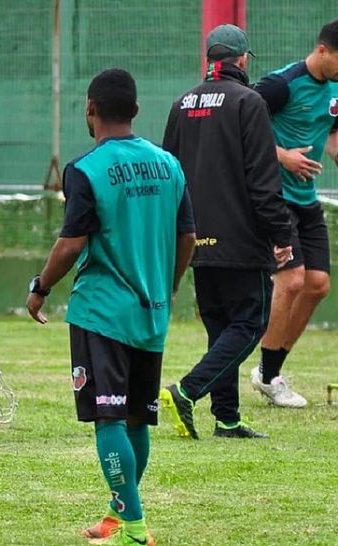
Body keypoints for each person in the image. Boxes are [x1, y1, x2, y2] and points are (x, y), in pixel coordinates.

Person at [26, 68, 196, 546]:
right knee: (138, 417)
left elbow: (70, 243)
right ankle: (119, 516)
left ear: (90, 109)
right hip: (151, 310)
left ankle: (136, 530)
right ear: (137, 111)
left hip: (102, 312)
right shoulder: (169, 164)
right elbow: (187, 236)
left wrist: (40, 286)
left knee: (108, 418)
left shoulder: (86, 169)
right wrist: (171, 284)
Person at [160, 24, 293, 440]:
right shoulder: (248, 102)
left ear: (209, 58)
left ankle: (228, 420)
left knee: (221, 330)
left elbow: (170, 175)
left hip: (195, 238)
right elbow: (262, 178)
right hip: (240, 238)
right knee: (249, 324)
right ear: (241, 59)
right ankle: (186, 390)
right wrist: (281, 232)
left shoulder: (182, 105)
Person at [249, 19, 338, 408]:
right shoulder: (280, 84)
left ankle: (269, 370)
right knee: (293, 280)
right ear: (322, 51)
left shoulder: (336, 88)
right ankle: (270, 376)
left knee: (318, 284)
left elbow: (332, 132)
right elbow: (240, 126)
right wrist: (282, 155)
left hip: (306, 198)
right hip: (274, 197)